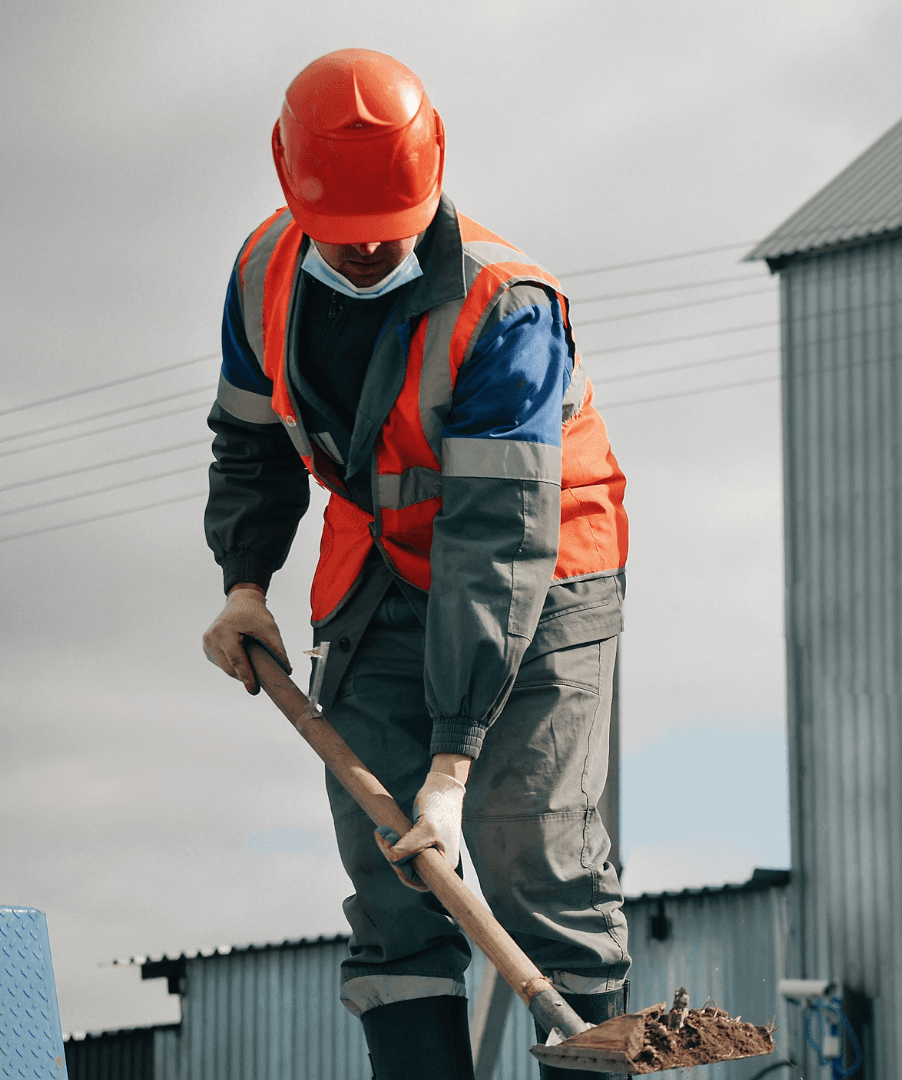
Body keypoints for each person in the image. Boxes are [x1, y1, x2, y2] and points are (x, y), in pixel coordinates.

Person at [198, 49, 631, 1080]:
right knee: (394, 883)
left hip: (542, 573)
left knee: (536, 863)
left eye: (387, 238)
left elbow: (497, 538)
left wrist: (452, 763)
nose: (365, 256)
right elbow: (251, 441)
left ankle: (599, 1055)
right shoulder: (265, 272)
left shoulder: (507, 307)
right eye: (345, 242)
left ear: (430, 179)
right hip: (380, 573)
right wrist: (245, 586)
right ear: (292, 189)